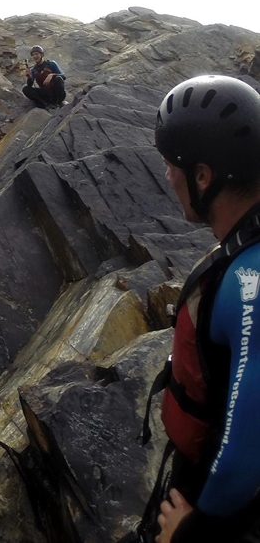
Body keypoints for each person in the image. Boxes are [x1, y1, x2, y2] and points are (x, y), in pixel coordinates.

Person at [132, 75, 260, 543]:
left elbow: (247, 457)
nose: (167, 177)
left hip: (220, 509)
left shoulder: (251, 281)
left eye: (172, 166)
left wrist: (192, 534)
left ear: (203, 176)